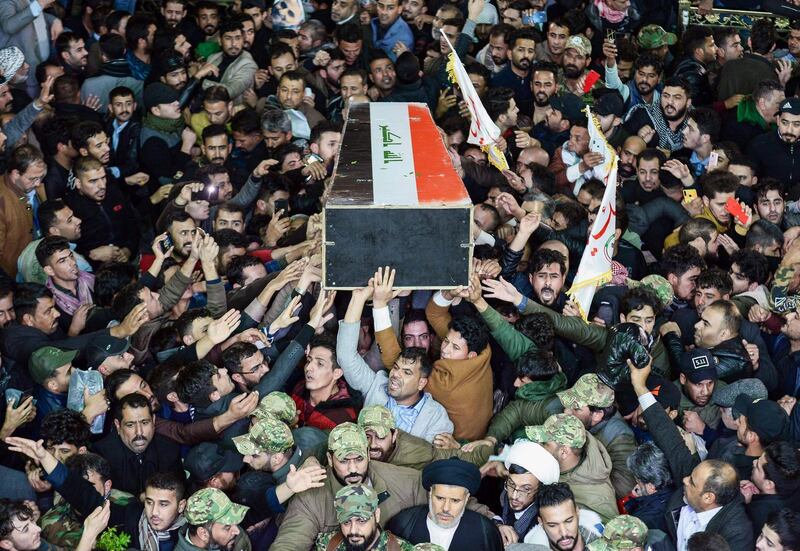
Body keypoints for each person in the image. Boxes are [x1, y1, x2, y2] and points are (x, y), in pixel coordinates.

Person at [269, 423, 428, 550]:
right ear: (330, 459)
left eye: (359, 459)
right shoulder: (311, 497)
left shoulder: (403, 481)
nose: (353, 469)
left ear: (368, 454)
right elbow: (289, 543)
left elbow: (444, 496)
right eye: (344, 460)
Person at [387, 458, 503, 550]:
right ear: (430, 493)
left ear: (467, 498)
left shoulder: (486, 532)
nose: (446, 508)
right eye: (440, 498)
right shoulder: (402, 525)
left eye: (455, 500)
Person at [316, 484, 415, 550]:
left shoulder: (401, 548)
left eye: (361, 521)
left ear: (376, 515)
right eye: (346, 522)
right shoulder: (326, 544)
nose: (353, 530)